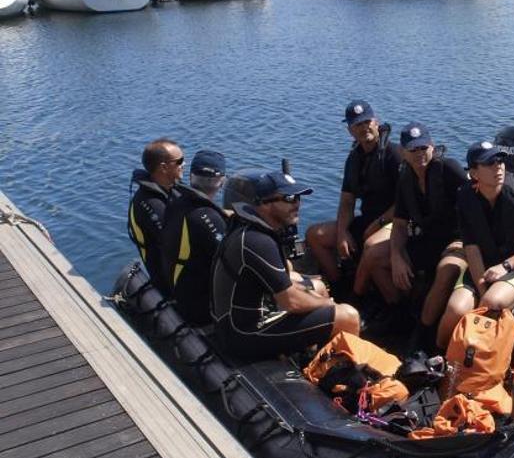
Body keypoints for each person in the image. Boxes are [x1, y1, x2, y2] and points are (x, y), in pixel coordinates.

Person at [212, 169, 359, 359]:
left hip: (245, 316)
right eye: (289, 198)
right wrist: (327, 304)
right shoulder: (257, 241)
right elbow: (291, 301)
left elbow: (283, 284)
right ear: (263, 204)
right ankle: (348, 378)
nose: (297, 204)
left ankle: (316, 360)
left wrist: (320, 299)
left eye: (298, 198)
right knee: (348, 316)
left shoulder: (250, 228)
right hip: (243, 333)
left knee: (320, 288)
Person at [356, 123, 469, 333]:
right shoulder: (406, 177)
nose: (419, 154)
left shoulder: (448, 170)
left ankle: (424, 333)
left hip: (457, 240)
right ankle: (399, 313)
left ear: (432, 147)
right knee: (373, 255)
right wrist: (396, 256)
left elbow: (475, 205)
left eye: (423, 148)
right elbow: (399, 223)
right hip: (426, 240)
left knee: (447, 269)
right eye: (413, 150)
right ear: (403, 152)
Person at [438, 141, 514, 348]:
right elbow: (471, 247)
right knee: (455, 310)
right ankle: (439, 361)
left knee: (492, 303)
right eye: (489, 163)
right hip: (483, 265)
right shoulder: (466, 198)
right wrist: (481, 288)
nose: (498, 167)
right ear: (474, 173)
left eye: (500, 161)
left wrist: (505, 266)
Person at [306, 100, 402, 287]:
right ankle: (339, 285)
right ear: (350, 130)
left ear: (376, 122)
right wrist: (342, 233)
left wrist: (378, 224)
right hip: (368, 220)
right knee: (314, 234)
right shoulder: (354, 158)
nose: (364, 127)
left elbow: (405, 202)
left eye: (367, 122)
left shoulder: (394, 154)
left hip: (394, 222)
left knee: (370, 246)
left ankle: (363, 297)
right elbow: (347, 201)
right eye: (357, 124)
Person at [159, 150, 228, 325]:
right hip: (203, 310)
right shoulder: (208, 217)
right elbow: (231, 262)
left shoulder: (176, 202)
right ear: (222, 182)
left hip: (182, 294)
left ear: (190, 177)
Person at [128, 138, 185, 292]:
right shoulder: (151, 204)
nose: (184, 164)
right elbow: (174, 243)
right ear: (164, 168)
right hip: (167, 279)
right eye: (179, 161)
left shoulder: (170, 189)